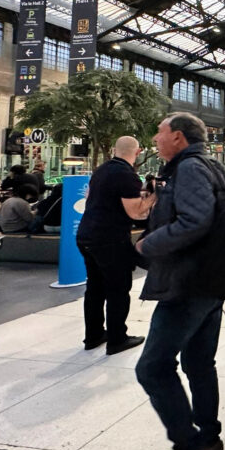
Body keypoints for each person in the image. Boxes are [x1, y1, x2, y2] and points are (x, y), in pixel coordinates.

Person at [134, 113, 225, 450]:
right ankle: (209, 440)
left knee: (153, 368)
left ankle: (189, 448)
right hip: (212, 281)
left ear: (178, 137)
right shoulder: (210, 165)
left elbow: (194, 221)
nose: (155, 138)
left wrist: (147, 244)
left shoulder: (189, 168)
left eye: (160, 131)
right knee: (199, 363)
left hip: (186, 286)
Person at [76, 136, 154, 355]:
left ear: (114, 150)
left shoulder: (101, 171)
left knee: (95, 287)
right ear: (137, 152)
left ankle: (93, 336)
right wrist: (153, 197)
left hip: (86, 235)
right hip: (109, 239)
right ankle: (117, 339)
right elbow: (136, 212)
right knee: (118, 288)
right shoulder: (126, 175)